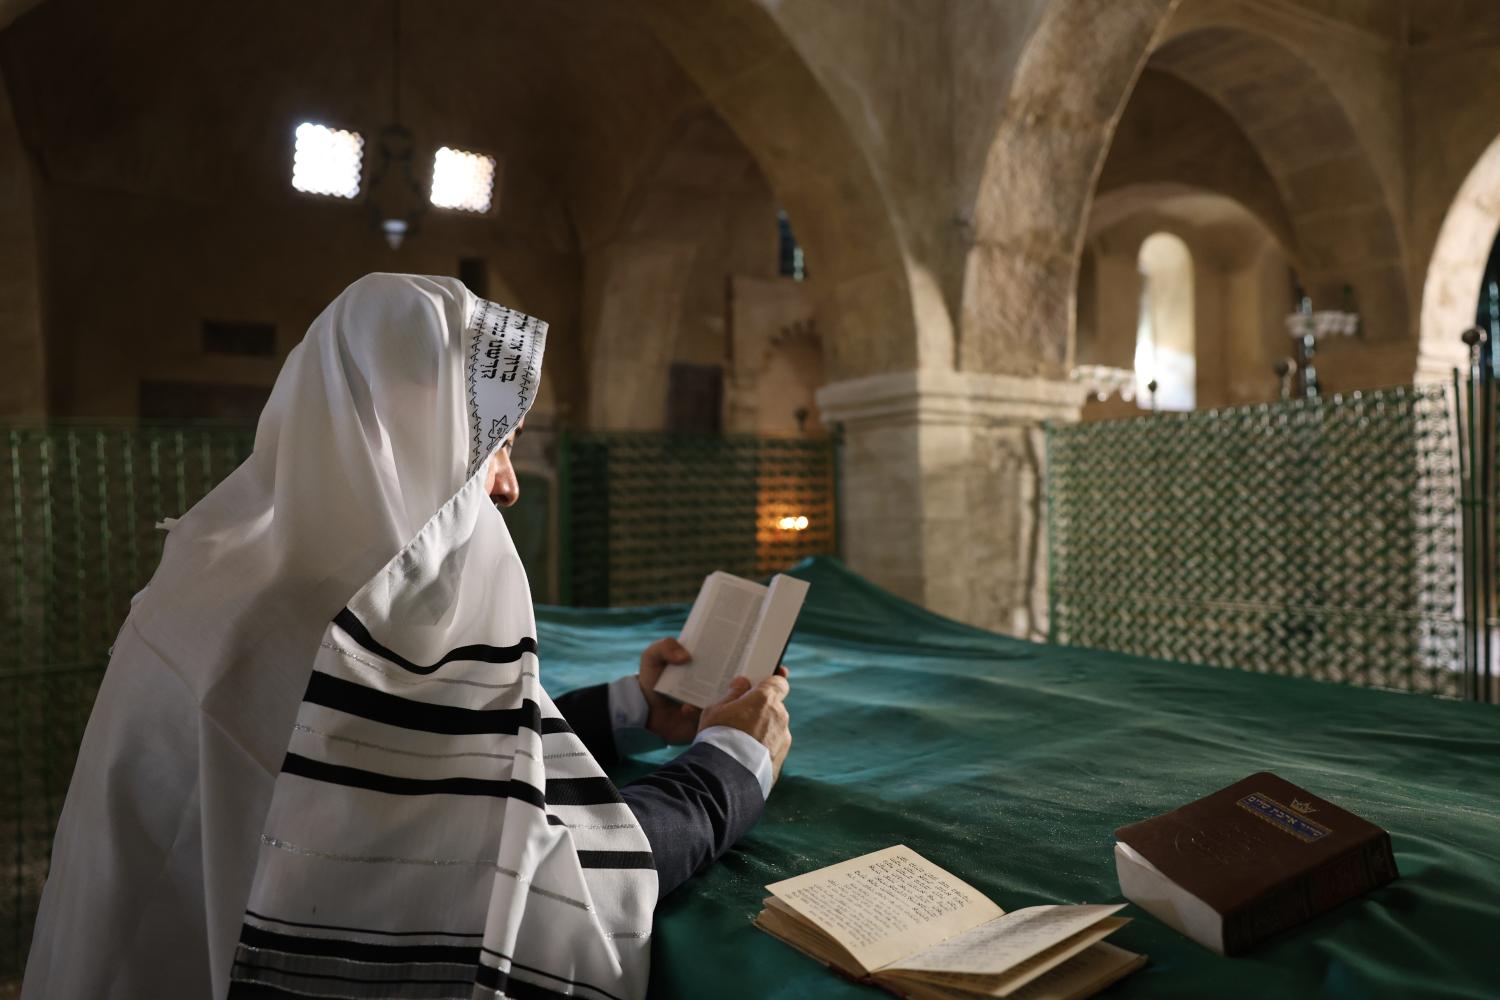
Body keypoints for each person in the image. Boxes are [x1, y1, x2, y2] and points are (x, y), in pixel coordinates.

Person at [22, 273, 792, 1000]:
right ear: (417, 435)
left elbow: (418, 754)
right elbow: (527, 905)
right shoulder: (319, 631)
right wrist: (728, 765)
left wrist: (627, 709)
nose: (508, 485)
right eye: (499, 444)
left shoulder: (235, 578)